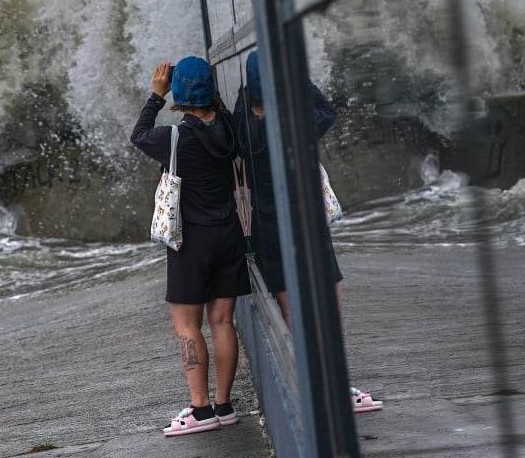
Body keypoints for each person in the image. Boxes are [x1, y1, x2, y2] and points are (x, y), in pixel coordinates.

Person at [233, 50, 384, 413]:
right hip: (306, 224)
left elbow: (238, 106)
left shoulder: (240, 127)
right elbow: (327, 109)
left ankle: (309, 386)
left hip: (269, 227)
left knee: (291, 314)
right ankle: (334, 385)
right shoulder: (294, 123)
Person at [130, 56, 251, 437]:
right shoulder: (230, 128)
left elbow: (138, 134)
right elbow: (222, 110)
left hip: (192, 242)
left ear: (178, 95)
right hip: (229, 234)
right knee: (221, 322)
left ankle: (200, 411)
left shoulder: (174, 138)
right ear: (213, 92)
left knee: (186, 325)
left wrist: (155, 95)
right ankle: (224, 405)